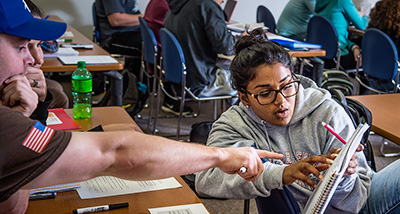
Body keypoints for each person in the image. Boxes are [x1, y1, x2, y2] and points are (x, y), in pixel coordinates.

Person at [0, 2, 283, 213]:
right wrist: (222, 155)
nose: (33, 60)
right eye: (21, 47)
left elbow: (13, 202)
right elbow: (117, 152)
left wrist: (24, 115)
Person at [195, 28, 400, 213]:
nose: (282, 102)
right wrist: (280, 174)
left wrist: (342, 178)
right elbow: (206, 180)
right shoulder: (235, 125)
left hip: (359, 204)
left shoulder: (327, 111)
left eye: (287, 86)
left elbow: (358, 201)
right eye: (266, 93)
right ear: (244, 97)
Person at [163, 0, 239, 114]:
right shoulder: (208, 6)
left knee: (229, 65)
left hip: (180, 80)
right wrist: (241, 39)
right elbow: (226, 47)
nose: (223, 1)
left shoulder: (175, 6)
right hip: (200, 82)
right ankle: (237, 126)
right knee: (246, 76)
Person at [316, 0, 369, 70]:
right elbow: (362, 25)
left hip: (320, 54)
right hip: (337, 56)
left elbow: (336, 36)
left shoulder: (319, 3)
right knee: (371, 57)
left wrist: (354, 46)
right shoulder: (343, 1)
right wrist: (365, 16)